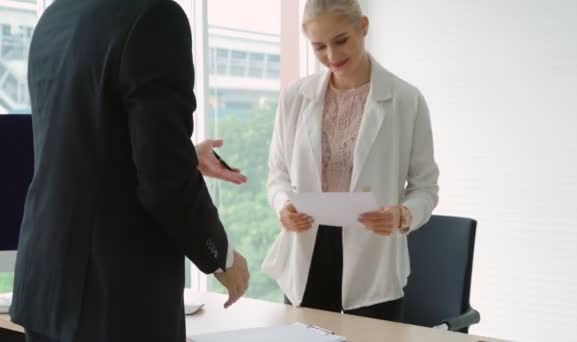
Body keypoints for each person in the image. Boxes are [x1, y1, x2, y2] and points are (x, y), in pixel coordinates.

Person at [10, 0, 249, 341]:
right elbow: (165, 185)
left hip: (45, 287)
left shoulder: (56, 14)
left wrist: (185, 155)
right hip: (115, 299)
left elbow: (79, 147)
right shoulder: (156, 16)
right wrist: (223, 257)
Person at [262, 0, 439, 322]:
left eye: (341, 40)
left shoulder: (406, 100)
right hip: (307, 250)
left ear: (363, 27)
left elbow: (425, 187)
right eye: (318, 47)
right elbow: (278, 175)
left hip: (374, 254)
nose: (331, 56)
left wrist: (404, 215)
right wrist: (283, 206)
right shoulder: (294, 98)